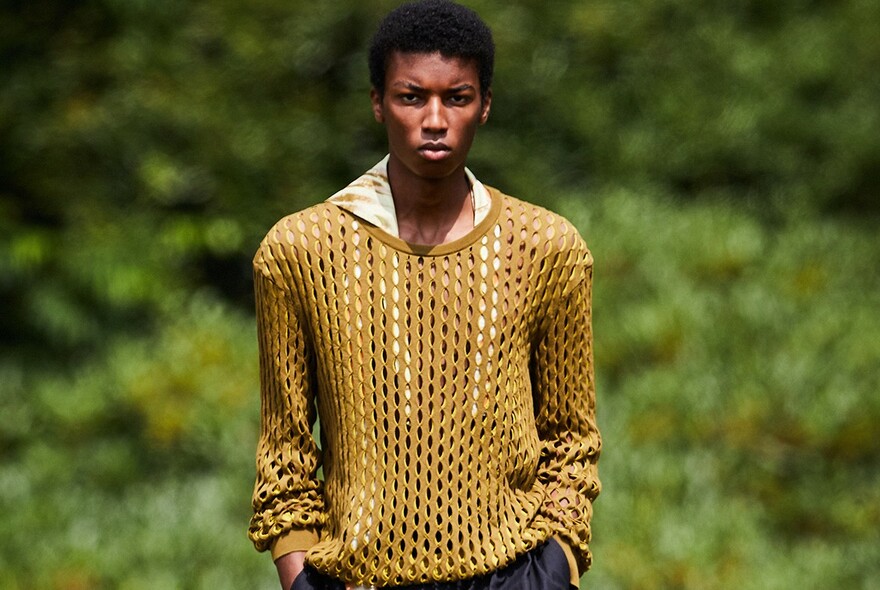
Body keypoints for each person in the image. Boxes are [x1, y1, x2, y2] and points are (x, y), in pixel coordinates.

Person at [248, 1, 601, 589]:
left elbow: (571, 436)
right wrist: (300, 576)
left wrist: (554, 567)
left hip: (510, 574)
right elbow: (284, 445)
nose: (434, 118)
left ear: (483, 105)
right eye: (412, 96)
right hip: (355, 577)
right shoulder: (301, 250)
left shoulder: (546, 248)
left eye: (456, 98)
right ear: (378, 102)